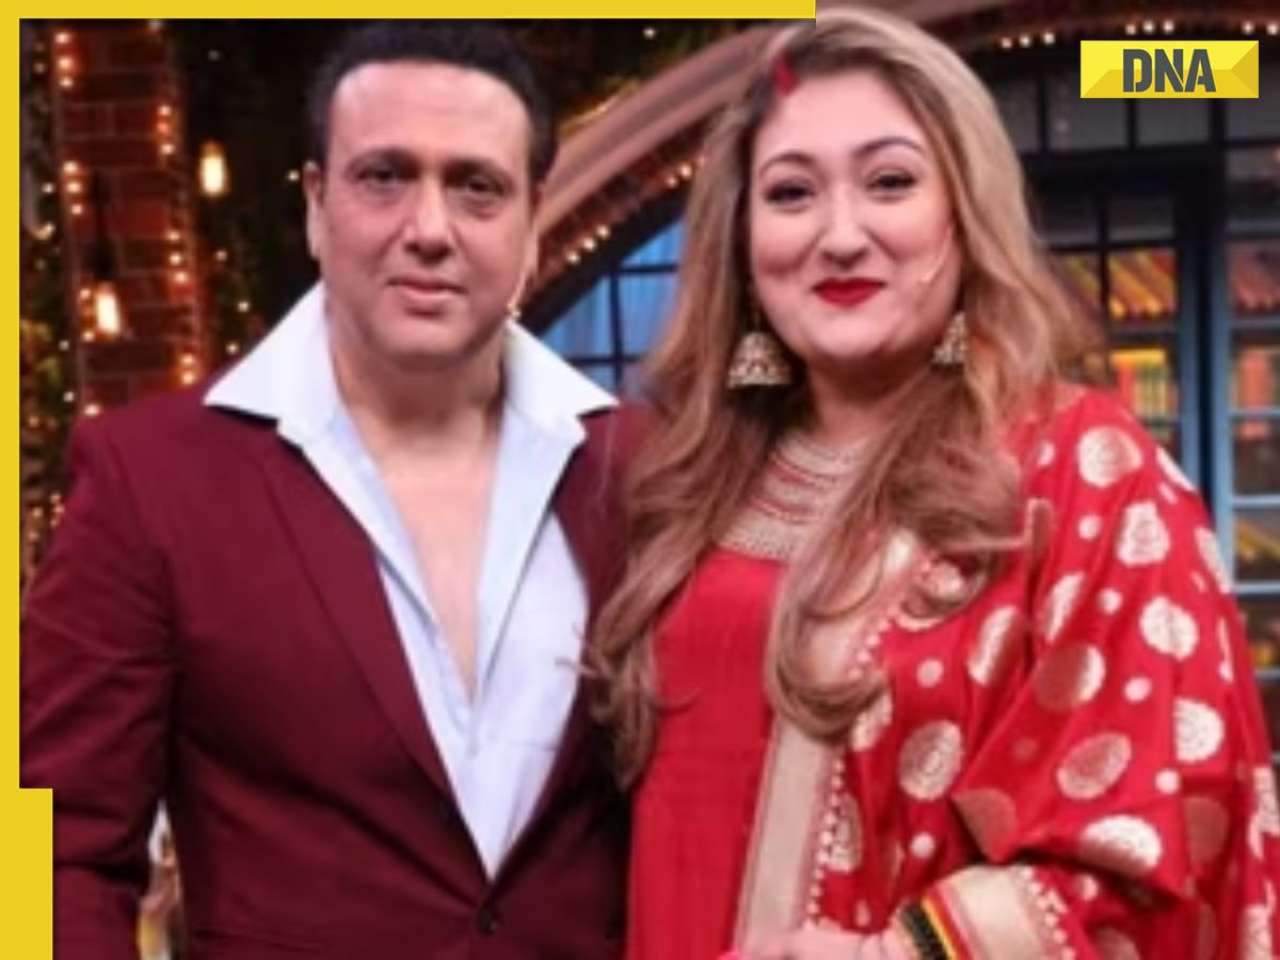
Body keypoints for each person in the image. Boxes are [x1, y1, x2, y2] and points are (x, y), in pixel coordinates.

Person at [592, 7, 1280, 959]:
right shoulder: (691, 481)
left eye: (890, 182)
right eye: (790, 193)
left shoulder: (1082, 473)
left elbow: (1155, 832)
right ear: (741, 242)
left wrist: (901, 953)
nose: (840, 234)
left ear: (964, 213)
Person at [22, 22, 629, 959]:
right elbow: (48, 842)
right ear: (315, 204)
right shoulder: (152, 480)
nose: (429, 229)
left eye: (476, 186)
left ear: (532, 217)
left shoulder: (636, 468)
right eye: (384, 177)